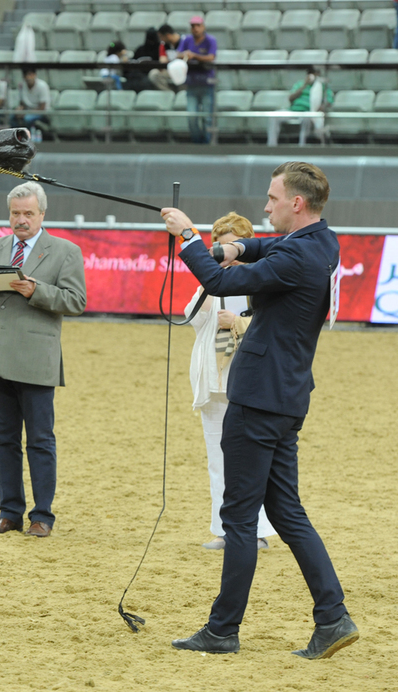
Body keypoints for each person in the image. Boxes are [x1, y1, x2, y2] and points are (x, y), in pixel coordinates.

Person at [161, 161, 359, 659]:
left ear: (296, 202)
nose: (265, 207)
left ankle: (223, 630)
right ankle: (332, 617)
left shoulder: (296, 258)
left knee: (240, 518)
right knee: (287, 513)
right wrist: (232, 246)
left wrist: (188, 237)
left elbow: (220, 283)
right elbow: (267, 246)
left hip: (257, 398)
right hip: (286, 397)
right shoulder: (322, 242)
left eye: (272, 199)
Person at [0, 182, 87, 539]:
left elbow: (77, 301)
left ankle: (42, 516)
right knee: (3, 440)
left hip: (36, 360)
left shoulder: (64, 251)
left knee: (40, 440)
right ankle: (9, 512)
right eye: (15, 213)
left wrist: (37, 291)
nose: (21, 220)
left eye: (28, 213)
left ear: (42, 214)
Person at [184, 212, 277, 551]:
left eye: (229, 247)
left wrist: (237, 322)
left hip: (248, 381)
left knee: (252, 460)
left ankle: (258, 531)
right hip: (213, 380)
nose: (222, 255)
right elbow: (190, 317)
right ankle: (224, 529)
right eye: (218, 247)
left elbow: (271, 327)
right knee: (217, 459)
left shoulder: (260, 283)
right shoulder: (210, 283)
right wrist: (210, 286)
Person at [266, 68, 334, 147]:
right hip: (293, 110)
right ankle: (271, 145)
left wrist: (321, 107)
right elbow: (291, 98)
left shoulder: (323, 86)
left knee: (307, 119)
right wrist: (305, 85)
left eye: (315, 74)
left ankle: (302, 146)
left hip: (308, 112)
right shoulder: (300, 84)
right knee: (274, 116)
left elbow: (329, 101)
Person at [178, 16, 217, 144]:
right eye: (193, 26)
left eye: (198, 25)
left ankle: (207, 144)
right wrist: (185, 54)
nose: (195, 28)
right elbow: (178, 54)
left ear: (203, 27)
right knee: (192, 117)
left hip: (207, 84)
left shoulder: (211, 40)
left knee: (207, 117)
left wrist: (194, 56)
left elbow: (211, 57)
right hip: (191, 84)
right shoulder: (186, 40)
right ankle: (197, 142)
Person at [14, 68, 52, 139]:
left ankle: (27, 139)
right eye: (26, 75)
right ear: (24, 77)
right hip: (27, 111)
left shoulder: (42, 86)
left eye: (31, 75)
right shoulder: (22, 85)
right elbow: (22, 103)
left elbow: (42, 108)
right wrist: (19, 110)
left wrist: (26, 113)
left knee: (27, 118)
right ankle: (16, 139)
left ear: (35, 75)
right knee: (12, 117)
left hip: (42, 114)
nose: (28, 77)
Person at [148, 24, 183, 92]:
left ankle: (182, 95)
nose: (160, 40)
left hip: (183, 71)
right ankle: (170, 93)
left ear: (167, 35)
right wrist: (177, 56)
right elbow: (163, 60)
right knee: (154, 74)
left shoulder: (184, 41)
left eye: (161, 37)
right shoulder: (163, 44)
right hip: (169, 70)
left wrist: (173, 57)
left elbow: (185, 57)